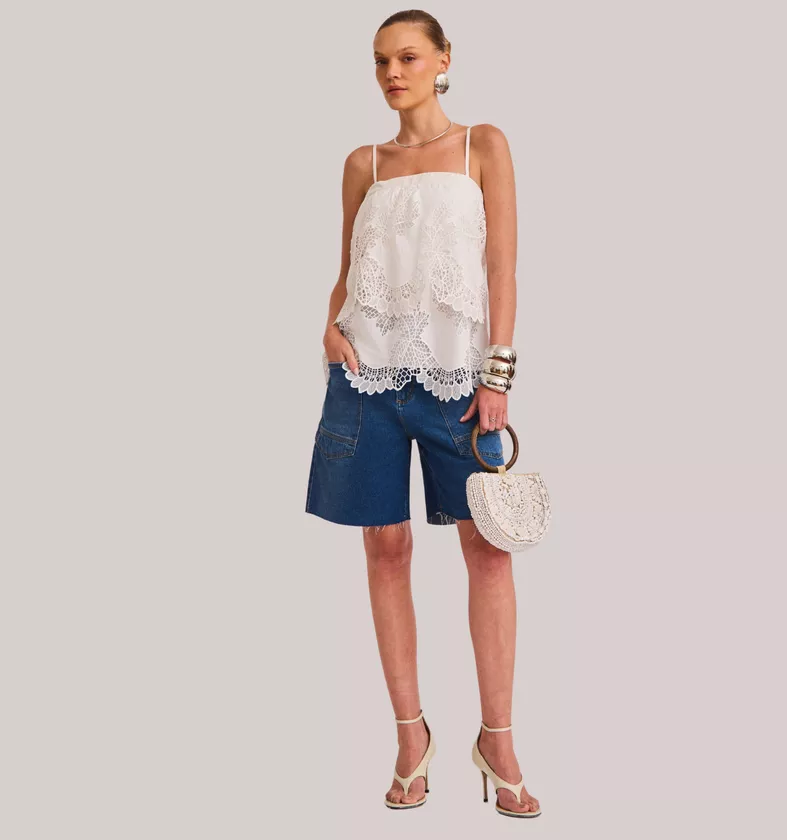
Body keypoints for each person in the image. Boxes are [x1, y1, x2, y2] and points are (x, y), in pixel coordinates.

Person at [304, 10, 541, 818]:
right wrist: (327, 329)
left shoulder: (484, 145)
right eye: (380, 61)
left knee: (488, 550)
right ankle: (411, 738)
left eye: (407, 57)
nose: (392, 73)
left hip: (458, 380)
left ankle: (498, 739)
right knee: (386, 549)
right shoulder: (362, 163)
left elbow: (503, 268)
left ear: (443, 60)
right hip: (364, 379)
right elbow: (347, 268)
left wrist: (497, 374)